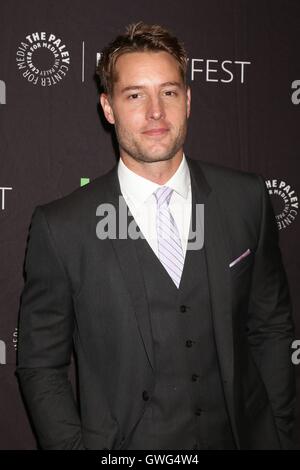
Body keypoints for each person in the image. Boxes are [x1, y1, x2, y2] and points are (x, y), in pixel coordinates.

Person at [16, 21, 296, 450]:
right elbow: (40, 364)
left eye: (168, 92)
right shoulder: (62, 227)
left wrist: (278, 430)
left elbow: (271, 327)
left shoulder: (246, 199)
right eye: (135, 95)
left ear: (188, 100)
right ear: (108, 108)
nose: (155, 112)